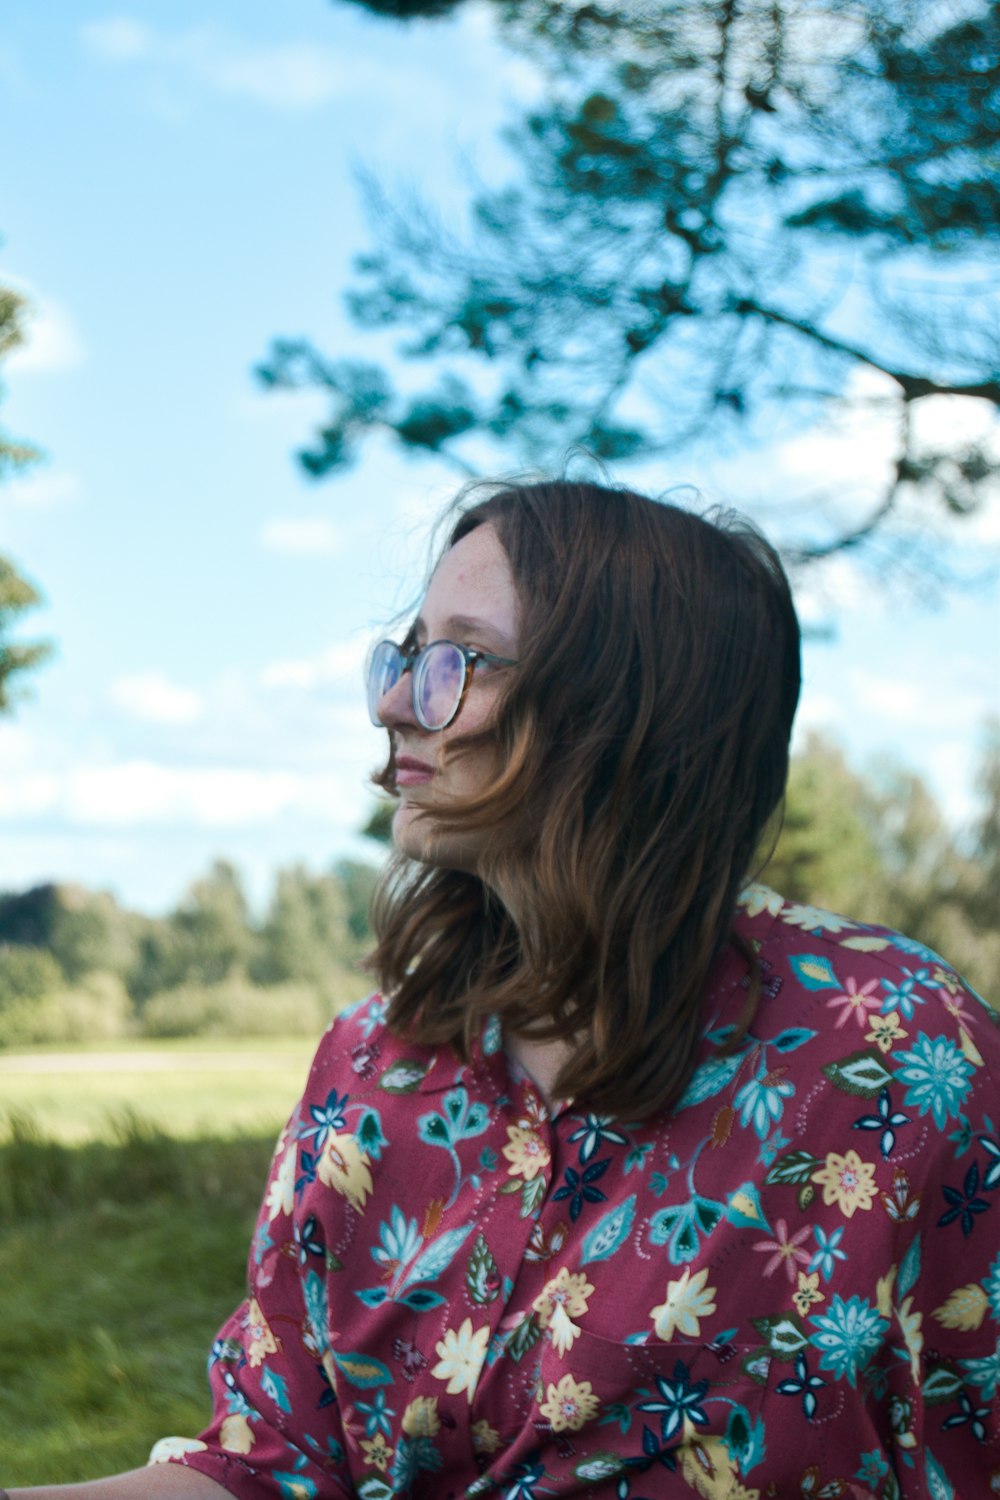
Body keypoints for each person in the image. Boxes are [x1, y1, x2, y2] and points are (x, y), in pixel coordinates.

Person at [10, 478, 999, 1500]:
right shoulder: (369, 1068)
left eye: (461, 662)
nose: (397, 703)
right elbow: (272, 1470)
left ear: (624, 705)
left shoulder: (891, 1055)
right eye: (405, 655)